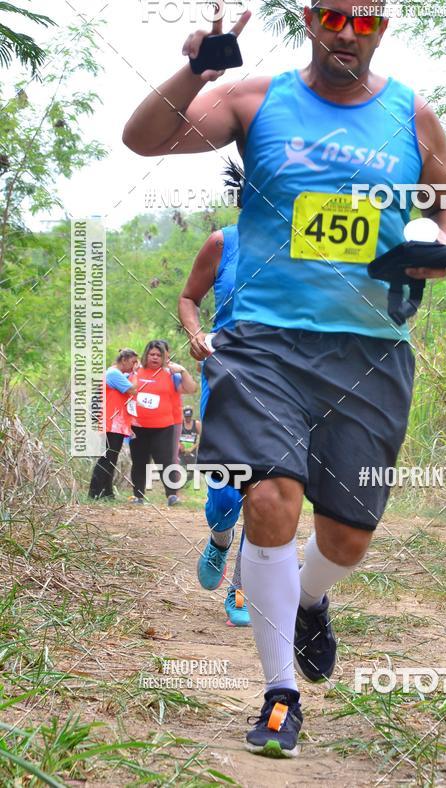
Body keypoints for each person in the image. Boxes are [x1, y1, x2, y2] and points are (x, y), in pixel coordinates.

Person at [124, 0, 446, 758]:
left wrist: (437, 245)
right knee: (271, 497)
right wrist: (196, 66)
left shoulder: (409, 115)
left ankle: (311, 599)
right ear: (310, 17)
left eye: (367, 21)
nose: (349, 34)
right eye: (334, 18)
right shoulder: (256, 98)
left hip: (371, 347)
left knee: (347, 537)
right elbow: (143, 140)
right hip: (265, 343)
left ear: (383, 26)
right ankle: (280, 694)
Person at [178, 162, 250, 627]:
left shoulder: (305, 248)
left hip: (284, 379)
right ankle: (219, 540)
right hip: (224, 375)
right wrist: (196, 333)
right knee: (225, 497)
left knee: (268, 492)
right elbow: (189, 298)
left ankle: (241, 592)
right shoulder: (222, 243)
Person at [129, 340, 194, 506]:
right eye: (152, 354)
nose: (155, 357)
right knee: (139, 462)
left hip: (163, 427)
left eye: (159, 355)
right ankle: (138, 496)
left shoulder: (171, 374)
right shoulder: (136, 372)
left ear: (164, 357)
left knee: (165, 461)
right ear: (146, 355)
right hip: (138, 427)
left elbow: (191, 388)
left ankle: (172, 496)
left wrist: (183, 371)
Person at [89, 348, 138, 500]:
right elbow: (133, 390)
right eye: (133, 362)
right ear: (124, 360)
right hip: (111, 422)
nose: (135, 365)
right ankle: (95, 492)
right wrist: (137, 373)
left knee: (111, 458)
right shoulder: (113, 374)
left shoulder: (116, 374)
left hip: (116, 422)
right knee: (107, 458)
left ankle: (107, 492)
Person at [156, 338, 197, 492]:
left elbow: (191, 388)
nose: (158, 356)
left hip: (172, 420)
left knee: (171, 455)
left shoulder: (174, 372)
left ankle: (173, 491)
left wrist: (182, 370)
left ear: (167, 354)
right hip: (146, 421)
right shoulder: (143, 371)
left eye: (162, 353)